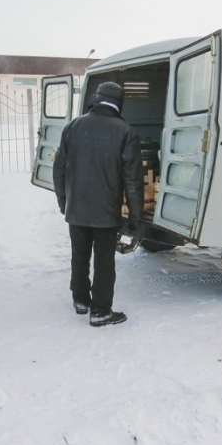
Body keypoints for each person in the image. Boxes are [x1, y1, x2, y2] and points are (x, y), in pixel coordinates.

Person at [53, 81, 143, 327]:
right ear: (118, 103)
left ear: (96, 98)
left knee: (79, 256)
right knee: (104, 260)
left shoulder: (73, 126)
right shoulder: (125, 131)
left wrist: (64, 202)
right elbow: (133, 180)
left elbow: (58, 169)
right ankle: (101, 310)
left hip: (77, 208)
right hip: (106, 211)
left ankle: (80, 300)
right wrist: (135, 219)